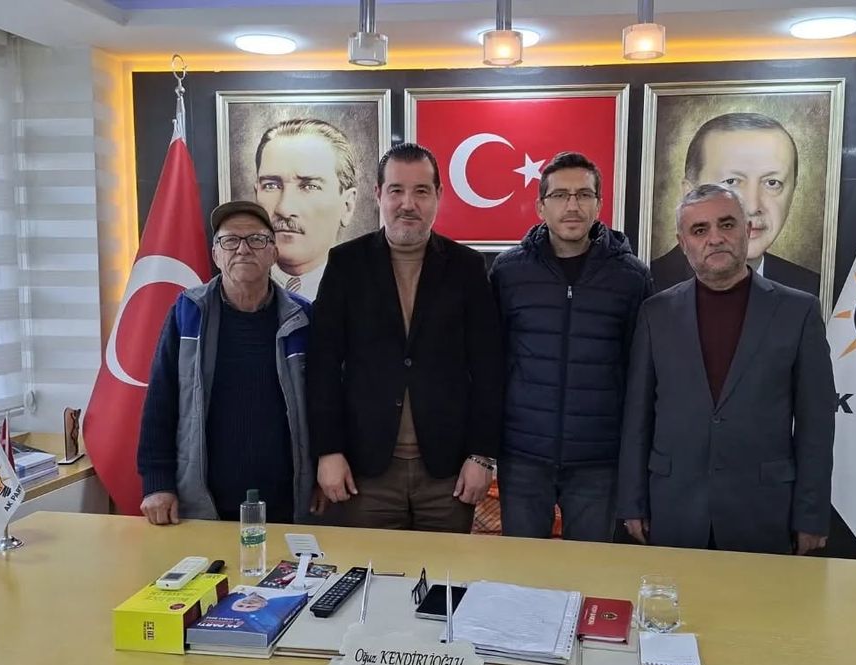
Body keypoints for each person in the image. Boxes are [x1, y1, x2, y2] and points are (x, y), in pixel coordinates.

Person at [620, 184, 834, 554]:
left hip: (763, 510)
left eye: (727, 224)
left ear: (747, 229)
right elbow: (638, 416)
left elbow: (816, 424)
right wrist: (632, 501)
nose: (715, 238)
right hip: (673, 507)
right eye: (699, 230)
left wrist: (811, 515)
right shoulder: (656, 313)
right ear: (683, 242)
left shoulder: (798, 312)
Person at [307, 142, 504, 533]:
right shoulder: (346, 264)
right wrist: (328, 451)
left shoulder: (466, 268)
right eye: (396, 190)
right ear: (378, 194)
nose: (407, 204)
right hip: (366, 471)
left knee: (446, 572)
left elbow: (489, 368)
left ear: (438, 196)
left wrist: (482, 455)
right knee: (368, 570)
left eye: (421, 191)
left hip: (447, 474)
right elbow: (322, 366)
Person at [489, 152, 651, 542]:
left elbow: (641, 373)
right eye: (560, 195)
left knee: (589, 569)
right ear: (541, 206)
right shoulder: (508, 272)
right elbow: (491, 361)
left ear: (599, 203)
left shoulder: (631, 277)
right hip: (523, 455)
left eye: (584, 194)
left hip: (598, 461)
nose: (573, 205)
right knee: (521, 570)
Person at [137, 200, 314, 525]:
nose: (243, 249)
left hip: (288, 501)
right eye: (230, 240)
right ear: (216, 254)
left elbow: (324, 403)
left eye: (256, 239)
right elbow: (161, 400)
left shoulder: (304, 318)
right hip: (203, 502)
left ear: (274, 253)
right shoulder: (187, 313)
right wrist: (157, 482)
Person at [651, 112, 821, 295]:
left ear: (793, 191)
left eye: (772, 183)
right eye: (731, 182)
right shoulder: (648, 287)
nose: (753, 207)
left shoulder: (812, 289)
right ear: (689, 194)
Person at [253, 118, 359, 300]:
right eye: (271, 186)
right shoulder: (227, 295)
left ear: (347, 206)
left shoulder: (370, 296)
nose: (284, 208)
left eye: (310, 186)